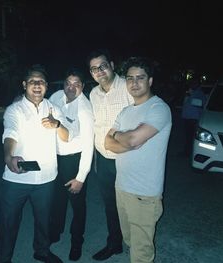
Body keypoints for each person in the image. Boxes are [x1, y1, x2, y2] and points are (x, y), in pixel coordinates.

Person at [0, 64, 70, 263]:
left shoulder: (54, 108)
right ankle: (3, 259)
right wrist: (8, 157)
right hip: (16, 177)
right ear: (24, 84)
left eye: (41, 82)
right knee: (8, 221)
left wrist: (58, 124)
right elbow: (10, 133)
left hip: (46, 178)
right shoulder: (15, 109)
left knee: (44, 220)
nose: (37, 85)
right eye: (33, 81)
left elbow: (66, 136)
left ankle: (42, 251)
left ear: (46, 86)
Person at [104, 56, 172, 263]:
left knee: (141, 254)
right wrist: (123, 138)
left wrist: (125, 138)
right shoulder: (125, 111)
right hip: (122, 187)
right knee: (130, 241)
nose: (134, 83)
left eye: (140, 78)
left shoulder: (158, 109)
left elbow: (132, 140)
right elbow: (107, 142)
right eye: (130, 78)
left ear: (150, 81)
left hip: (144, 194)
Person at [87, 48, 134, 261]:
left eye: (103, 66)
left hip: (128, 159)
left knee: (132, 204)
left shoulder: (127, 86)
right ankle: (114, 243)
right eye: (94, 68)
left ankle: (136, 245)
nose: (99, 71)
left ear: (112, 65)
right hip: (103, 159)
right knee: (110, 204)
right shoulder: (93, 94)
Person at [49, 68, 94, 261]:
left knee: (77, 205)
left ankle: (77, 242)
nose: (71, 87)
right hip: (55, 158)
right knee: (57, 200)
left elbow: (88, 146)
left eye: (76, 84)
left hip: (74, 160)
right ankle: (55, 232)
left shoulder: (84, 109)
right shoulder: (57, 96)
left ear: (82, 87)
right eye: (68, 83)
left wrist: (81, 177)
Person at [181, 77, 207, 156]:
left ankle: (190, 153)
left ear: (198, 84)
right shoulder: (191, 92)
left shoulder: (199, 93)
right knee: (188, 137)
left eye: (194, 83)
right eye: (191, 83)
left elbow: (201, 104)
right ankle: (187, 152)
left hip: (193, 119)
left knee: (191, 138)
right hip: (187, 118)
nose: (192, 84)